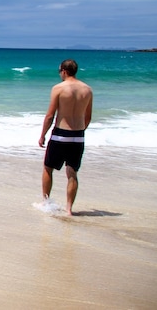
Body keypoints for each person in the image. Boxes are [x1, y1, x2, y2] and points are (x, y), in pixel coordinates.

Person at [38, 59, 93, 216]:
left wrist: (43, 135)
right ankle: (69, 209)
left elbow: (50, 115)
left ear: (63, 71)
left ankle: (46, 203)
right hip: (78, 135)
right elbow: (88, 117)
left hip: (61, 135)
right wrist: (79, 132)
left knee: (48, 168)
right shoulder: (87, 90)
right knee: (72, 173)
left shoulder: (59, 88)